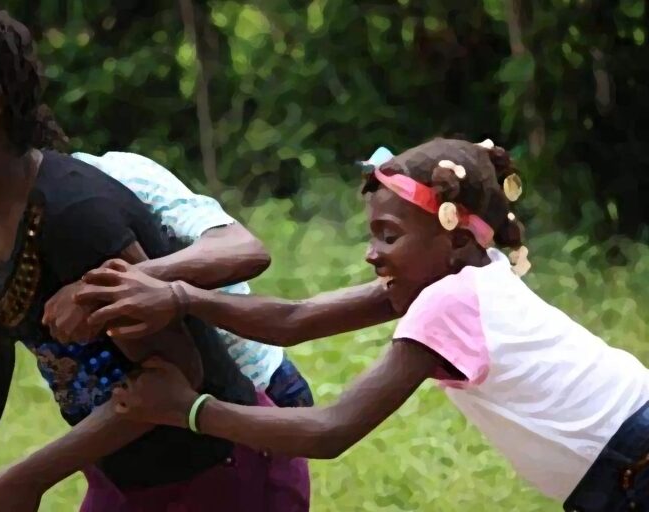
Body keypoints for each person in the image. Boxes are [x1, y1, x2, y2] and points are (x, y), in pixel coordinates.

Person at [0, 2, 308, 511]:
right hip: (124, 477)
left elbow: (174, 374)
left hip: (221, 468)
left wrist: (29, 476)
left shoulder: (76, 213)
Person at [76, 137, 649, 511]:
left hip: (632, 462)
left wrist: (188, 410)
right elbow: (294, 320)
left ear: (452, 240)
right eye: (372, 234)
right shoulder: (463, 276)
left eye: (389, 236)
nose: (372, 254)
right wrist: (180, 296)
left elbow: (330, 432)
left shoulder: (446, 303)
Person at [48, 151, 314, 408]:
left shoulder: (119, 176)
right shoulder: (17, 226)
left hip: (256, 387)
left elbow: (241, 248)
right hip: (154, 410)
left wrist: (102, 289)